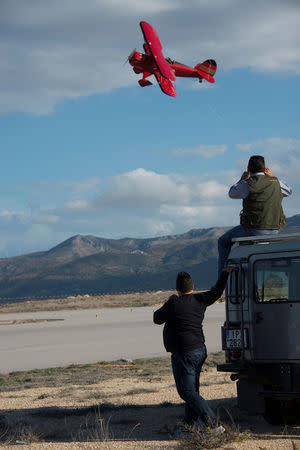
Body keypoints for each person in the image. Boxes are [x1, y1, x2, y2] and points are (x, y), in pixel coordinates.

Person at [153, 268, 232, 435]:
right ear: (192, 286)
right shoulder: (200, 299)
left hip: (184, 354)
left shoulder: (174, 302)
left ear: (177, 288)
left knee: (186, 391)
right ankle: (188, 426)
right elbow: (217, 292)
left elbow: (157, 318)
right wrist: (225, 274)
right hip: (199, 351)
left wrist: (169, 301)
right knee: (192, 391)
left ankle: (213, 424)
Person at [218, 155, 292, 275]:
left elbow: (231, 193)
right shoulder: (276, 182)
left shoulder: (246, 184)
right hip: (275, 229)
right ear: (265, 169)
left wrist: (242, 179)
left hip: (253, 230)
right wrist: (273, 177)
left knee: (223, 241)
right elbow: (289, 191)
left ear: (248, 169)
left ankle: (222, 277)